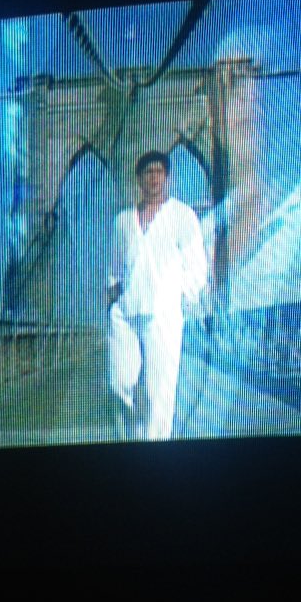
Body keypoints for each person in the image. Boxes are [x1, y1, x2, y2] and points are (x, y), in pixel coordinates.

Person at [107, 151, 208, 440]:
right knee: (119, 382)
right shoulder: (123, 221)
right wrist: (112, 294)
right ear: (139, 179)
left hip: (163, 316)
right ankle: (133, 435)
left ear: (167, 177)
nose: (153, 178)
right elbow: (115, 267)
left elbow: (196, 265)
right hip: (127, 311)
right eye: (148, 173)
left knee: (160, 390)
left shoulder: (182, 215)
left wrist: (180, 300)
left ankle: (156, 446)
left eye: (159, 172)